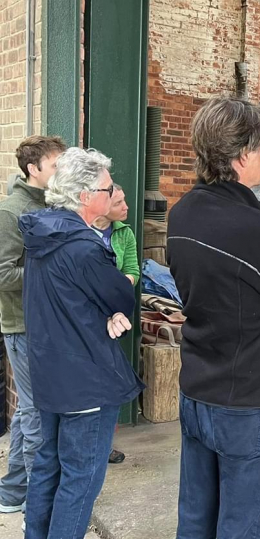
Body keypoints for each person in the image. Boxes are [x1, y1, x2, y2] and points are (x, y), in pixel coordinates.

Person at [167, 97, 260, 539]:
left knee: (195, 520)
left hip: (198, 386)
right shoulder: (259, 230)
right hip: (249, 402)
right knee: (243, 527)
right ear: (242, 155)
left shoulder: (182, 213)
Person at [19, 147, 143, 539]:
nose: (112, 195)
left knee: (49, 466)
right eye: (107, 189)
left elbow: (74, 301)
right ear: (87, 195)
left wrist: (105, 310)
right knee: (81, 477)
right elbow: (122, 294)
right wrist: (112, 306)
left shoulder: (44, 235)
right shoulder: (82, 245)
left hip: (52, 370)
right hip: (85, 376)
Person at [0, 135, 66, 514]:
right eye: (54, 165)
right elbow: (4, 273)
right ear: (33, 169)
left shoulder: (52, 205)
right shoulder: (12, 212)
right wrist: (49, 268)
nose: (60, 172)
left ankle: (12, 493)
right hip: (23, 327)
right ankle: (36, 503)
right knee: (37, 413)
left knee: (30, 410)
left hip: (47, 324)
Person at [92, 184, 140, 465]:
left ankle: (106, 443)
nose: (126, 208)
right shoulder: (83, 233)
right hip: (88, 318)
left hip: (116, 317)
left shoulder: (124, 232)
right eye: (120, 203)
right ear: (102, 204)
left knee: (110, 381)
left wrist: (118, 287)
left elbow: (132, 270)